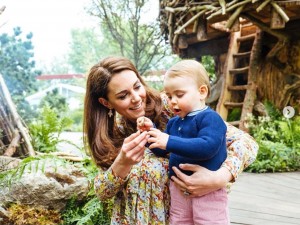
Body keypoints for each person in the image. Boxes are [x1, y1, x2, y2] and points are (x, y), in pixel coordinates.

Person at [83, 56, 258, 225]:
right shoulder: (110, 135)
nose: (136, 97)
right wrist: (122, 163)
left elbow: (246, 142)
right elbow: (102, 192)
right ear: (106, 103)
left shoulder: (173, 105)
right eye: (123, 96)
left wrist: (220, 177)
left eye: (137, 86)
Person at [137, 59, 229, 224]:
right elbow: (161, 149)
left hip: (207, 190)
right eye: (169, 95)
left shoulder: (211, 118)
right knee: (179, 221)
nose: (173, 101)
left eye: (179, 95)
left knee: (209, 221)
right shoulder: (174, 122)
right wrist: (150, 133)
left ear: (202, 92)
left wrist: (169, 141)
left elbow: (208, 147)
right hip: (178, 188)